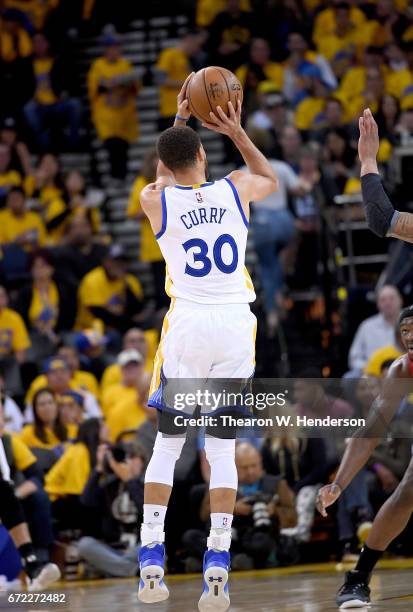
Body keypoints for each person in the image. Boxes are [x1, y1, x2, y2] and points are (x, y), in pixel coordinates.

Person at [137, 74, 277, 610]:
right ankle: (217, 559)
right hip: (236, 323)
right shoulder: (235, 187)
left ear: (169, 164)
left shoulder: (158, 201)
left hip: (190, 324)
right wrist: (237, 131)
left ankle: (152, 552)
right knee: (220, 447)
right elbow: (268, 176)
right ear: (203, 154)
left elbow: (163, 179)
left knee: (169, 444)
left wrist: (179, 122)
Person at [317, 306, 413, 607]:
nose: (410, 336)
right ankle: (359, 576)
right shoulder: (402, 369)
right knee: (408, 490)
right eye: (405, 331)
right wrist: (339, 484)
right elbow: (370, 432)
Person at [87, 27, 140, 180]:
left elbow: (135, 86)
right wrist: (114, 83)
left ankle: (122, 177)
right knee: (112, 147)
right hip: (106, 116)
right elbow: (97, 86)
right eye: (112, 47)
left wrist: (122, 82)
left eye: (117, 47)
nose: (115, 50)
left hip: (124, 116)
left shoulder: (125, 65)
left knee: (123, 148)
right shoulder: (98, 65)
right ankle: (114, 178)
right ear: (106, 49)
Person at [23, 32, 82, 152]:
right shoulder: (26, 64)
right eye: (35, 42)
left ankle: (74, 142)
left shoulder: (58, 61)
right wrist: (31, 97)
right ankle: (41, 144)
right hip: (38, 105)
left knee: (75, 104)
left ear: (47, 44)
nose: (38, 45)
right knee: (28, 108)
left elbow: (71, 83)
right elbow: (21, 88)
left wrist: (64, 94)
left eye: (41, 41)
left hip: (57, 103)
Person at [14, 249, 76, 361]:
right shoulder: (25, 292)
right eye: (36, 267)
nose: (40, 270)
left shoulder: (62, 290)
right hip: (33, 336)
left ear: (52, 268)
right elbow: (19, 320)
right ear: (31, 270)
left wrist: (55, 334)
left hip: (58, 334)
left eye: (44, 266)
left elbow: (69, 317)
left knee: (69, 345)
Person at [75, 244, 144, 335]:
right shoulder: (93, 280)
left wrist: (125, 285)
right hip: (88, 330)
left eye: (123, 261)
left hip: (120, 328)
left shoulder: (130, 281)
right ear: (105, 261)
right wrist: (129, 320)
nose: (120, 265)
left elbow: (137, 310)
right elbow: (99, 313)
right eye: (115, 261)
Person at [127, 149, 167, 308]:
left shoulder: (172, 180)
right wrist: (151, 207)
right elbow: (132, 213)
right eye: (155, 159)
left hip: (175, 238)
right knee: (159, 282)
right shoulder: (141, 183)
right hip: (153, 242)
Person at [155, 31, 203, 131]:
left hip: (189, 110)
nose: (198, 49)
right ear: (188, 41)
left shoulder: (187, 58)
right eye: (197, 45)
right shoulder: (169, 54)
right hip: (173, 110)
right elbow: (160, 79)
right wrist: (188, 83)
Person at [348, 285, 402, 374]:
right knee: (350, 377)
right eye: (383, 300)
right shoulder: (366, 326)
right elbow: (354, 358)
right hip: (372, 374)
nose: (388, 303)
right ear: (378, 304)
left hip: (405, 372)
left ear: (400, 300)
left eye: (391, 298)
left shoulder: (410, 322)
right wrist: (369, 368)